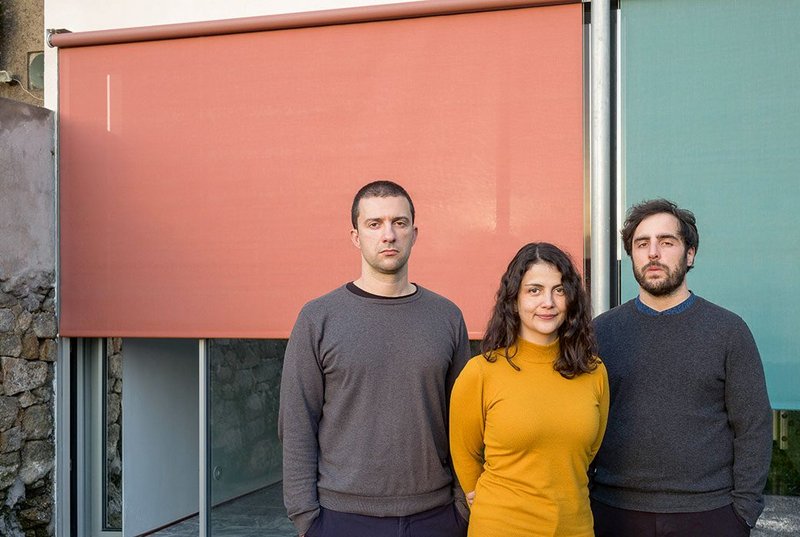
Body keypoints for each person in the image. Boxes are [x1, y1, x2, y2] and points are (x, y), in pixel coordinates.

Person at [278, 180, 470, 537]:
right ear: (356, 236)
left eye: (399, 223)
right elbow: (297, 423)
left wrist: (460, 510)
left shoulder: (447, 317)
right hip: (341, 517)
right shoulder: (318, 318)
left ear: (414, 233)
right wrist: (306, 518)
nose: (388, 235)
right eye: (374, 224)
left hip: (435, 516)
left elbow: (464, 421)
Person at [590, 199, 773, 537]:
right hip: (614, 513)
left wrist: (743, 513)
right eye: (642, 244)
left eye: (667, 242)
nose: (653, 253)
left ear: (690, 255)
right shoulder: (600, 333)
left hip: (709, 515)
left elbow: (754, 427)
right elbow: (581, 420)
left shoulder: (728, 331)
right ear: (632, 255)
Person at [449, 242, 609, 537]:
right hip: (501, 527)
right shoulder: (482, 372)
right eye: (534, 290)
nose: (547, 302)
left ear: (571, 299)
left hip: (575, 528)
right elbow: (465, 453)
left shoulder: (593, 371)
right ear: (513, 300)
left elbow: (589, 451)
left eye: (558, 290)